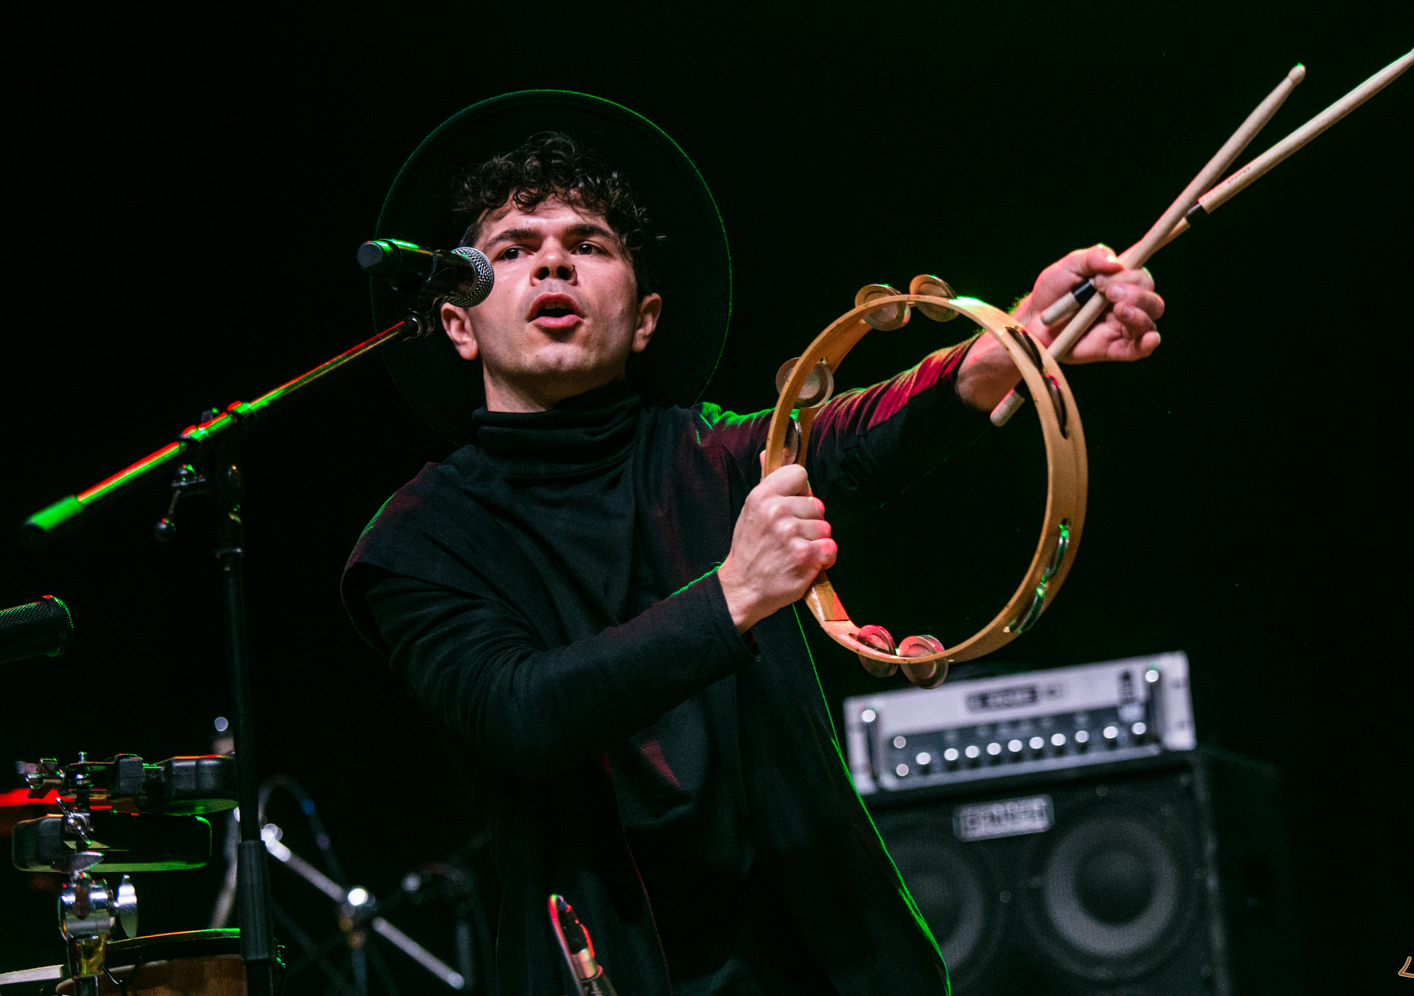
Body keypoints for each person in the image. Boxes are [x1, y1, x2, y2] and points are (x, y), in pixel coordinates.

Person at [342, 93, 1162, 996]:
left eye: (589, 244)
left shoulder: (720, 457)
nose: (552, 263)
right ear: (458, 323)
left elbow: (861, 434)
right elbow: (519, 714)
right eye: (511, 249)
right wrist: (731, 595)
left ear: (645, 316)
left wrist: (1014, 342)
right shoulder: (419, 539)